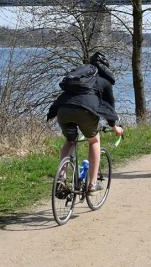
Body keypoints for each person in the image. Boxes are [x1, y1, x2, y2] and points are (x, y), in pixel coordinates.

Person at [47, 52, 123, 194]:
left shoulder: (79, 77)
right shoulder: (104, 81)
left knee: (70, 141)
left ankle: (61, 179)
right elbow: (110, 108)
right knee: (94, 140)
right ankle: (92, 185)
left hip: (63, 109)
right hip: (86, 111)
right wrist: (115, 127)